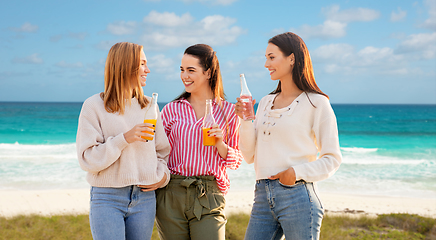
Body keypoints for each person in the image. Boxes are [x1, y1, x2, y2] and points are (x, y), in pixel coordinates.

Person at [235, 32, 342, 240]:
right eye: (266, 58)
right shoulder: (266, 102)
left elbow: (332, 159)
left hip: (298, 196)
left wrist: (295, 172)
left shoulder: (317, 103)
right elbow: (248, 156)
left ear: (291, 59)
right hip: (262, 195)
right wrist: (245, 120)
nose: (266, 64)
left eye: (272, 57)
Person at [76, 42, 170, 240]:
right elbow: (87, 159)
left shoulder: (149, 106)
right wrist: (124, 139)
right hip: (107, 198)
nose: (148, 70)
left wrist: (162, 177)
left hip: (144, 198)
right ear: (126, 66)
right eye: (143, 64)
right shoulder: (94, 106)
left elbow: (162, 152)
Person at [156, 44, 243, 240]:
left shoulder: (229, 113)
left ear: (208, 73)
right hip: (170, 194)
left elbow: (236, 161)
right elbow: (158, 153)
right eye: (182, 70)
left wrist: (220, 143)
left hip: (209, 194)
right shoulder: (171, 110)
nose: (184, 76)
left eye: (191, 70)